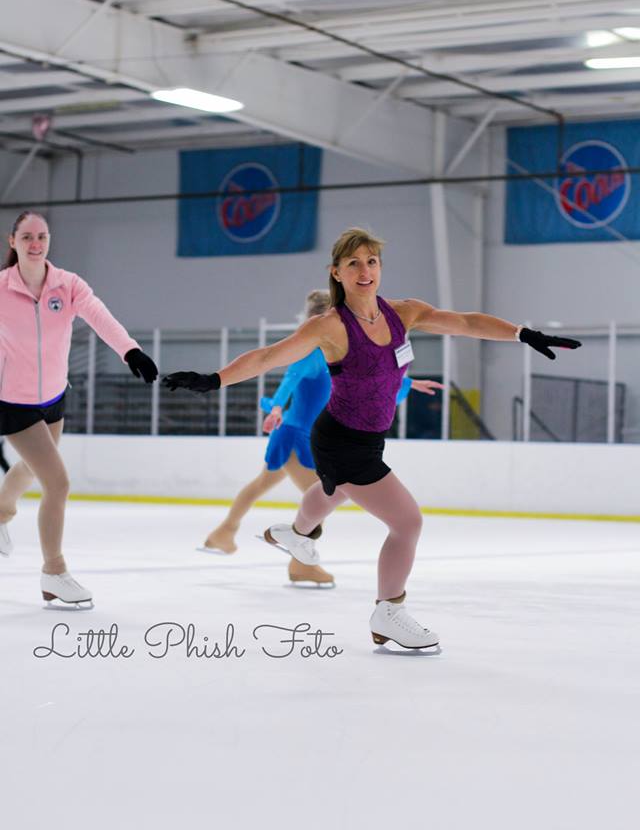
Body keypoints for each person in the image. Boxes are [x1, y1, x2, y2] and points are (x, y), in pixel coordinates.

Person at [163, 227, 580, 650]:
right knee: (407, 522)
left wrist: (522, 334)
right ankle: (389, 611)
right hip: (342, 438)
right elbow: (270, 356)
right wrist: (214, 379)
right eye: (354, 263)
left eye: (372, 261)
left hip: (363, 438)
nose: (365, 271)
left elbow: (467, 323)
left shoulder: (404, 313)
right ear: (337, 273)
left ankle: (297, 534)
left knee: (333, 493)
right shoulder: (329, 326)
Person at [202, 288, 444, 589]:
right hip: (296, 435)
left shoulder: (338, 352)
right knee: (321, 499)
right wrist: (277, 406)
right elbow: (289, 377)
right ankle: (300, 565)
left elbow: (366, 378)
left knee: (264, 486)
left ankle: (224, 533)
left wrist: (405, 381)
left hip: (300, 434)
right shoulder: (313, 353)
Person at [0, 210, 158, 608]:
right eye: (27, 237)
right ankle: (54, 572)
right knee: (58, 482)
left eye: (42, 236)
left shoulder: (66, 285)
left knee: (33, 469)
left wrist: (130, 350)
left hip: (54, 396)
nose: (36, 243)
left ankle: (0, 510)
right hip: (12, 401)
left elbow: (99, 316)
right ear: (12, 242)